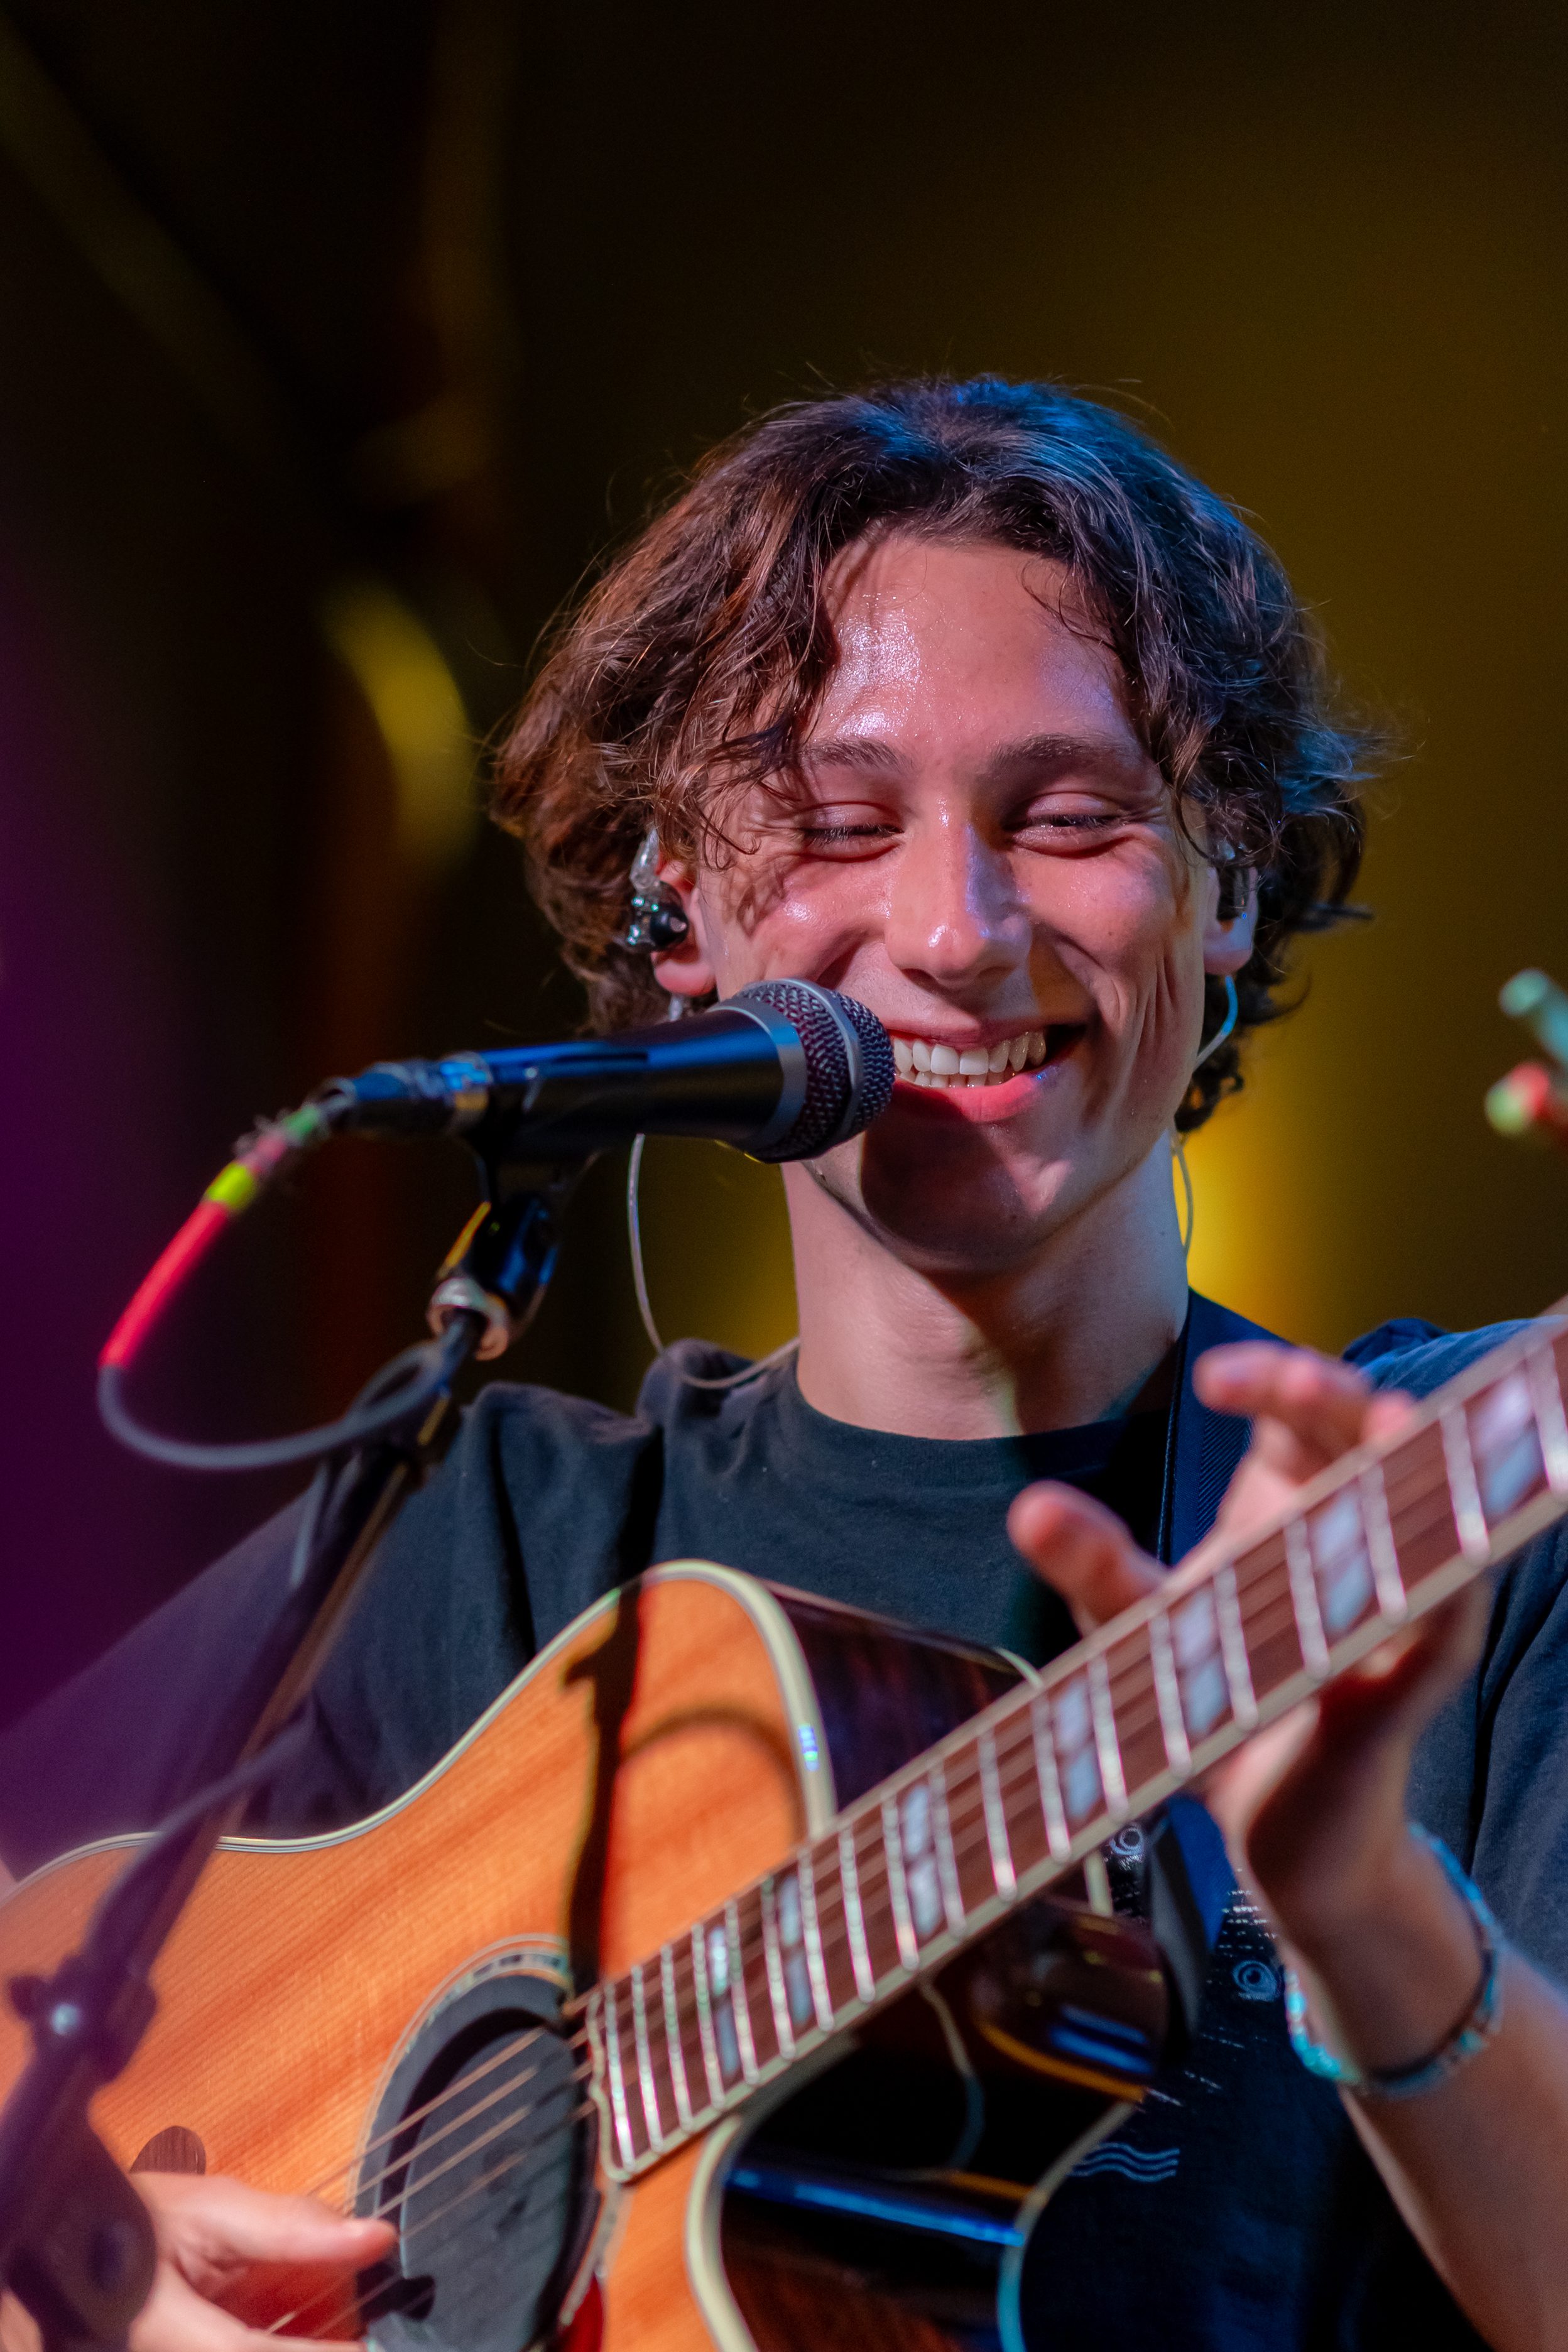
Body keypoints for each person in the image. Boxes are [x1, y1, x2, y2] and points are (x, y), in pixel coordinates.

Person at [4, 377, 1568, 2352]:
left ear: (1231, 882)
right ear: (687, 912)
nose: (952, 927)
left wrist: (1356, 1893)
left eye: (1072, 818)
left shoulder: (1441, 1516)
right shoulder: (499, 1543)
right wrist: (89, 2281)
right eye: (838, 824)